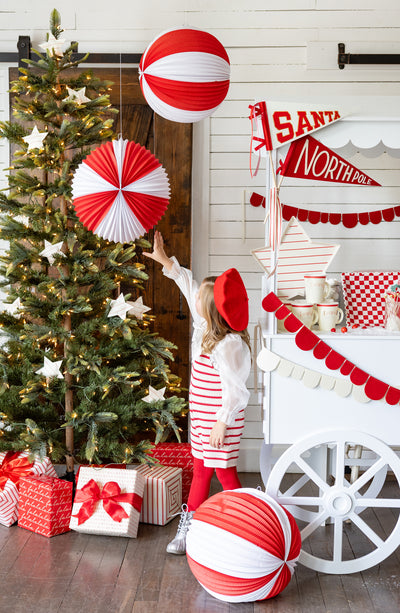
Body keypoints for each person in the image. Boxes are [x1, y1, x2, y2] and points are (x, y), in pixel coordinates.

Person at [144, 231, 252, 555]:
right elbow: (191, 285)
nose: (194, 303)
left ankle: (250, 525)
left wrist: (222, 422)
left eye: (199, 302)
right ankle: (187, 531)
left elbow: (236, 390)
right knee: (202, 470)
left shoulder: (230, 344)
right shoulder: (206, 327)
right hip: (202, 415)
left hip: (221, 418)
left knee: (224, 473)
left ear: (211, 310)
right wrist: (166, 261)